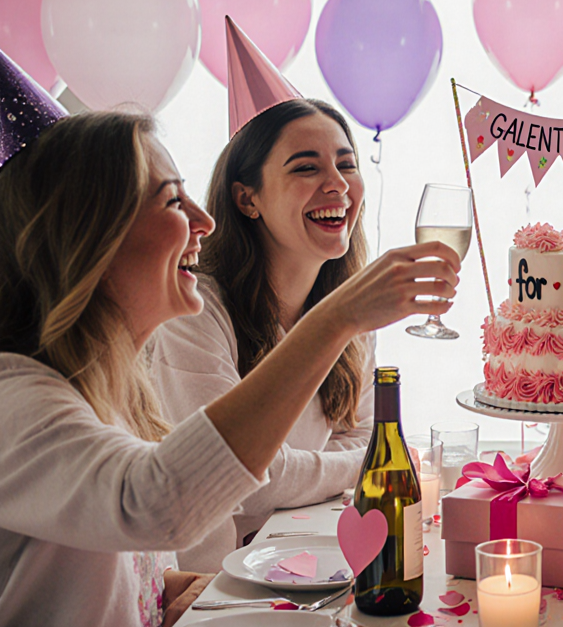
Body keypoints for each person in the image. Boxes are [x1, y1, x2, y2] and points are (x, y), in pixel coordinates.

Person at [0, 110, 460, 626]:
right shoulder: (13, 403)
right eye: (173, 200)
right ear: (87, 235)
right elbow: (154, 504)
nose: (205, 220)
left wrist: (162, 588)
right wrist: (336, 319)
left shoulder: (106, 389)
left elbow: (94, 551)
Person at [148, 98, 377, 572]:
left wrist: (294, 472)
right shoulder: (194, 310)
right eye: (306, 168)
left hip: (302, 565)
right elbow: (240, 476)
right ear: (247, 198)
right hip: (205, 592)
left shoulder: (348, 307)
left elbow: (362, 431)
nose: (336, 184)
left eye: (346, 164)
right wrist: (357, 465)